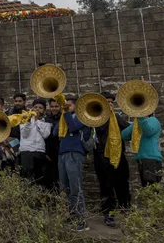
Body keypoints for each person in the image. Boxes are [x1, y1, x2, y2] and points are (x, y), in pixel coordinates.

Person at [93, 92, 131, 227]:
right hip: (101, 156)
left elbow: (128, 129)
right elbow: (97, 131)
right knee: (106, 187)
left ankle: (126, 210)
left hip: (119, 156)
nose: (109, 104)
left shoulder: (117, 117)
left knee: (123, 185)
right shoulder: (95, 117)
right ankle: (108, 214)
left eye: (111, 102)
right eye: (106, 102)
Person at [54, 95, 90, 232]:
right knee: (65, 187)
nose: (66, 107)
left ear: (76, 106)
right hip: (63, 153)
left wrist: (66, 113)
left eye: (68, 105)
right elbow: (55, 132)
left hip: (75, 153)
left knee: (76, 187)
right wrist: (64, 115)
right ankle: (72, 216)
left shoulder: (83, 117)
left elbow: (73, 127)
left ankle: (82, 220)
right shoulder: (66, 117)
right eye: (65, 105)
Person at [122, 114, 162, 187]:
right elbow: (124, 135)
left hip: (151, 160)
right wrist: (136, 123)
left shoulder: (153, 120)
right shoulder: (139, 122)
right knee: (146, 190)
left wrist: (140, 116)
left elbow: (148, 132)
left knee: (152, 191)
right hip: (142, 161)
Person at [19, 99, 52, 185]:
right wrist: (29, 122)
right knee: (27, 178)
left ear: (44, 110)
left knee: (39, 178)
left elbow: (45, 135)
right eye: (35, 107)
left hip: (39, 151)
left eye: (40, 108)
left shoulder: (47, 121)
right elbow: (24, 134)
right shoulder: (25, 118)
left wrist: (37, 121)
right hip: (27, 151)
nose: (37, 109)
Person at [0, 96, 17, 171]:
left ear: (2, 106)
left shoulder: (10, 118)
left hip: (8, 154)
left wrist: (6, 142)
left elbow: (16, 139)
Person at [43, 98, 62, 190]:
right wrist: (45, 152)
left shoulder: (64, 118)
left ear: (61, 107)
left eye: (56, 106)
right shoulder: (46, 119)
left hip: (61, 152)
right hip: (50, 154)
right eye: (52, 106)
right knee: (50, 181)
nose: (54, 108)